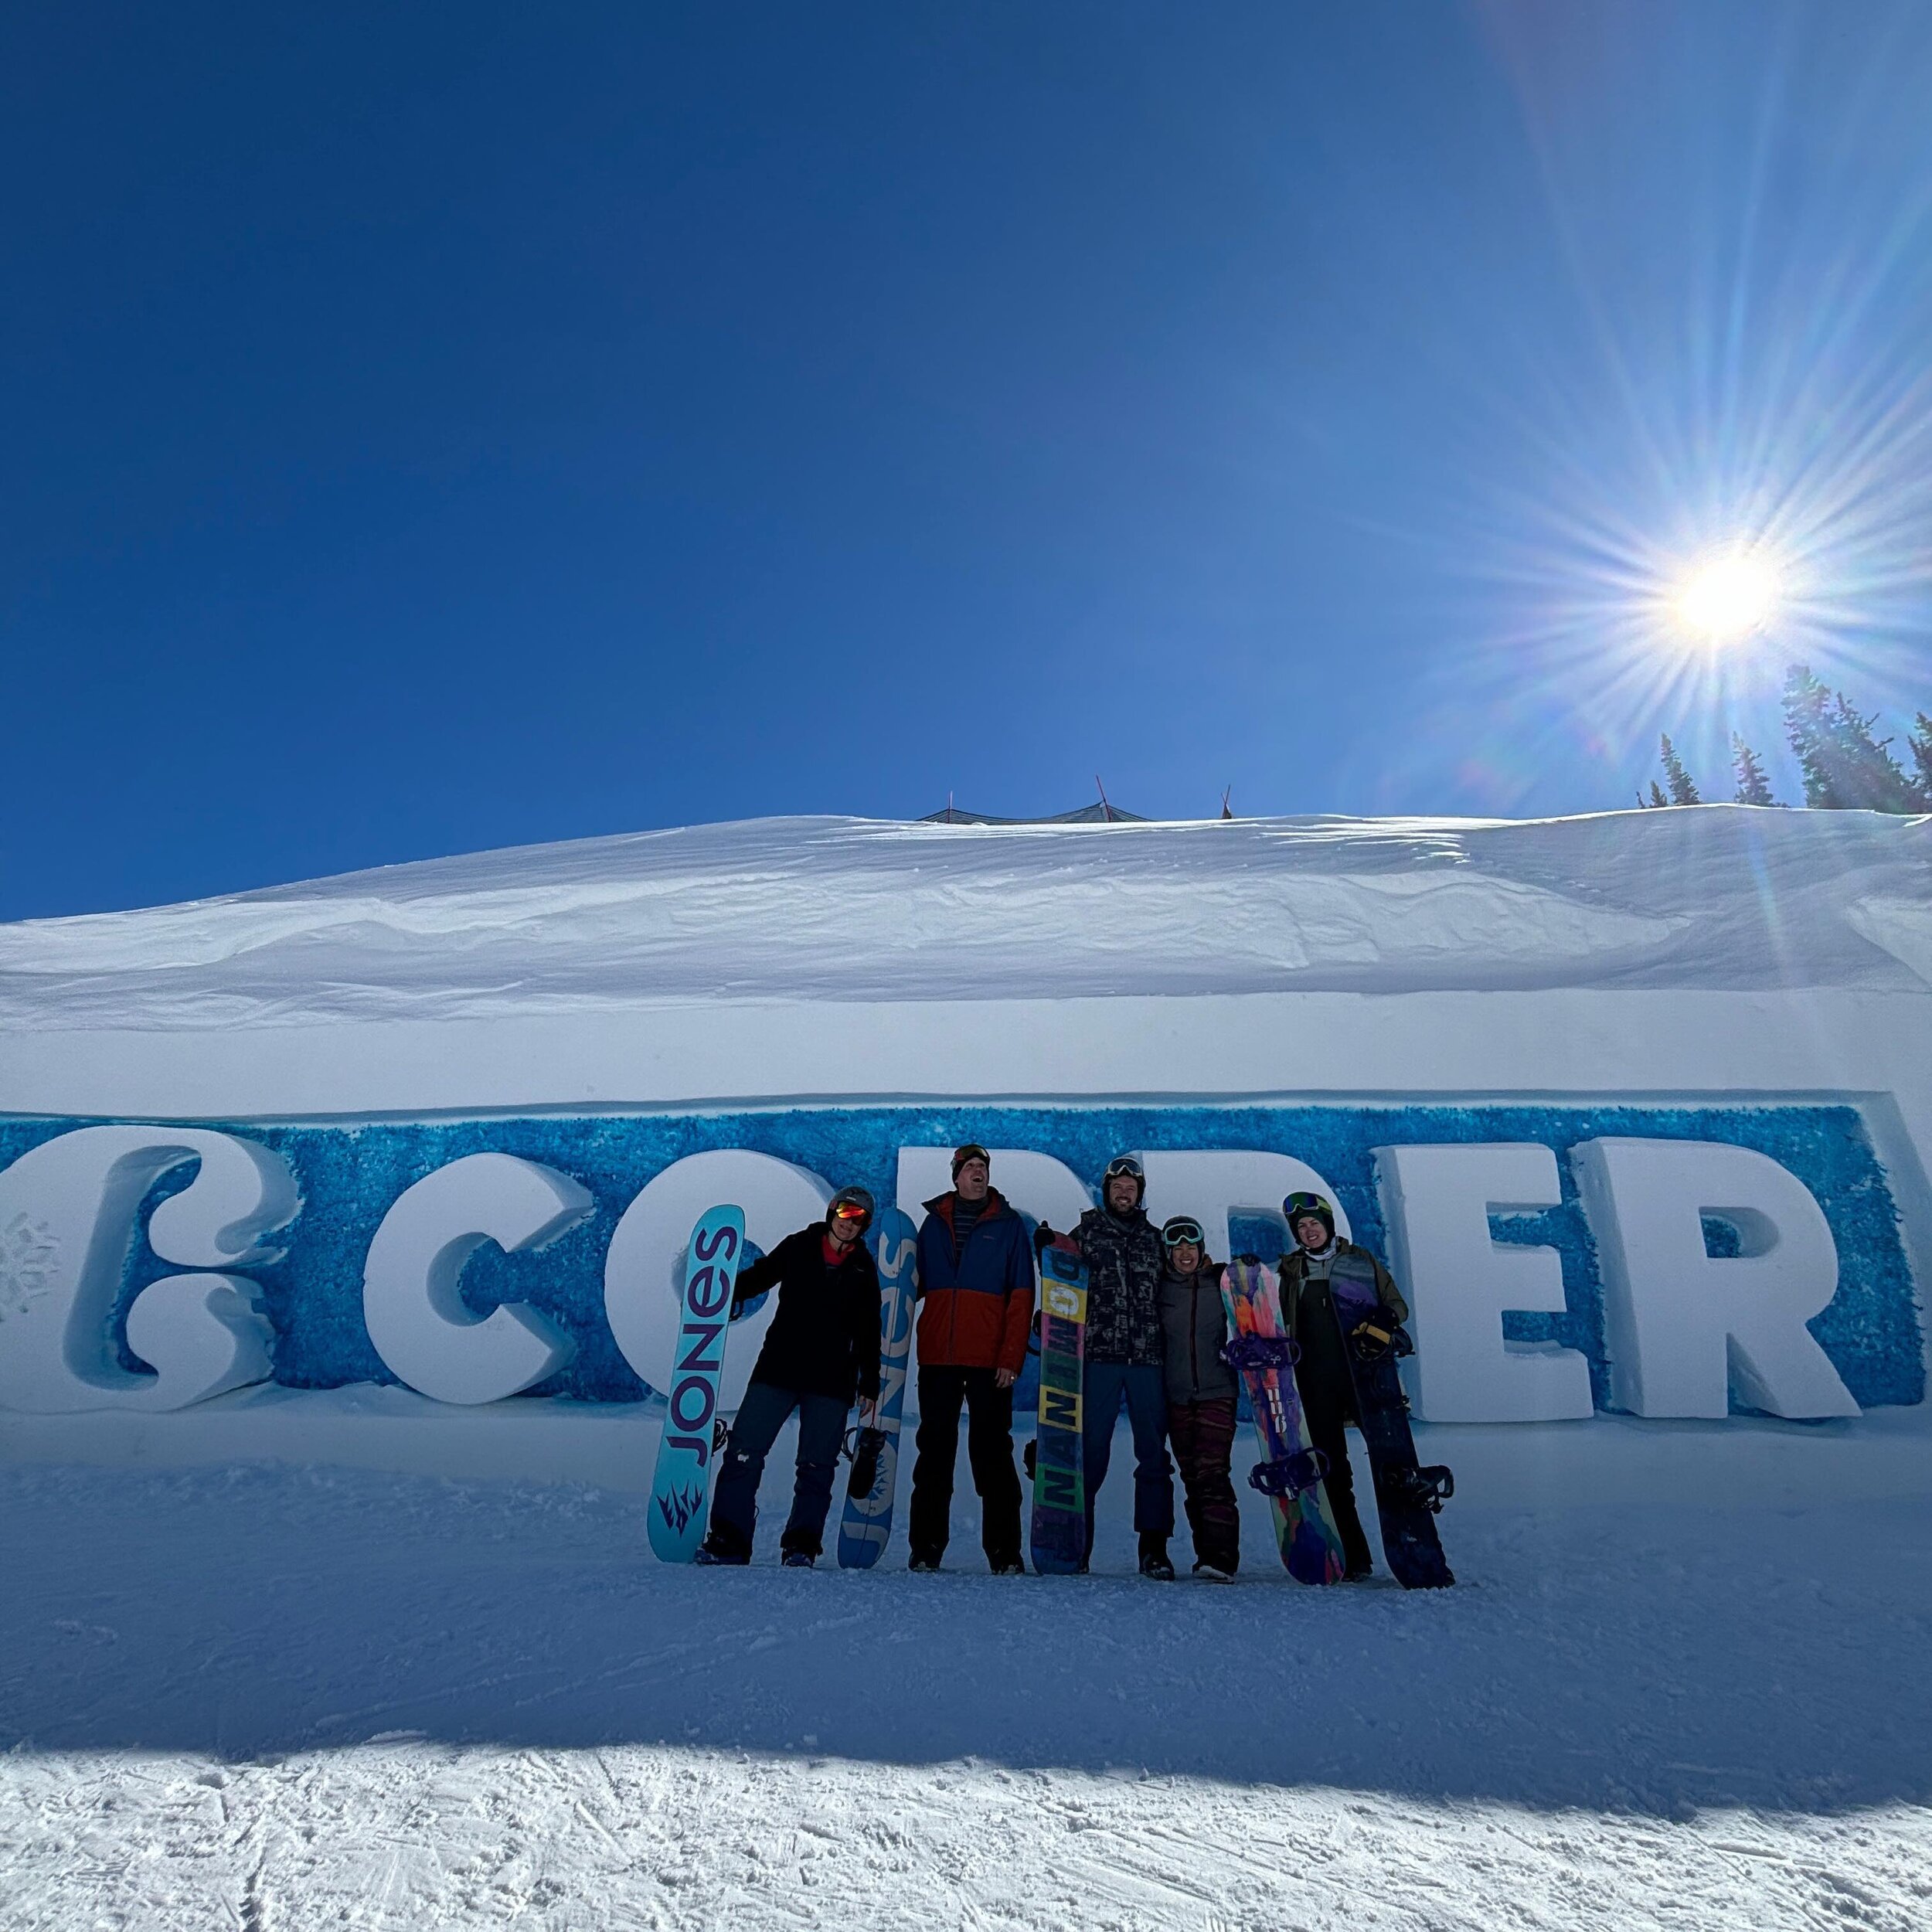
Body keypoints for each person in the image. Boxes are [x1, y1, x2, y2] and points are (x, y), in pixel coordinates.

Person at [696, 1185, 883, 1567]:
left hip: (832, 1381)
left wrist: (870, 1382)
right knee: (744, 1453)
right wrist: (722, 1294)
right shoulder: (800, 1245)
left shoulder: (864, 1269)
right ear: (833, 1211)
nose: (851, 1223)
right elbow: (760, 1277)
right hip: (778, 1369)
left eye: (860, 1218)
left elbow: (869, 1330)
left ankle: (801, 1546)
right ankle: (729, 1540)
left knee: (817, 1466)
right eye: (846, 1213)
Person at [1037, 1154, 1175, 1580]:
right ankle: (1077, 1546)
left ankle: (1154, 1551)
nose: (1124, 1193)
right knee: (1089, 1457)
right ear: (1106, 1191)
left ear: (1140, 1193)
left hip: (1148, 1361)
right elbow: (1063, 1274)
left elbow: (1183, 1275)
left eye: (1131, 1188)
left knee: (1153, 1456)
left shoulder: (1156, 1239)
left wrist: (1210, 1270)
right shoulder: (1088, 1234)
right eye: (1117, 1187)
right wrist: (1046, 1244)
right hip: (1098, 1359)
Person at [906, 1144, 1034, 1574]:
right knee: (934, 1455)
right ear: (956, 1175)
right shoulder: (932, 1224)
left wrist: (1011, 1358)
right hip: (938, 1356)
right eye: (970, 1167)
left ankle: (1004, 1553)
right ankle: (925, 1548)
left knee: (993, 1455)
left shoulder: (1009, 1224)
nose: (978, 1173)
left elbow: (1021, 1297)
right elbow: (911, 1285)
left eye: (983, 1167)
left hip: (989, 1361)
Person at [1277, 1189, 1409, 1581]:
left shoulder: (1359, 1260)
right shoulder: (1292, 1271)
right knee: (1333, 1470)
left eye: (1314, 1223)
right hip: (1317, 1383)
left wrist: (1385, 1319)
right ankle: (1354, 1556)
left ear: (1328, 1225)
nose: (1309, 1231)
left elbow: (1397, 1304)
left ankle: (1410, 1543)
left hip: (1365, 1377)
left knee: (1390, 1462)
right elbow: (1276, 1316)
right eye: (1301, 1226)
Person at [1157, 1214, 1240, 1581]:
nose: (1185, 1254)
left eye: (1191, 1246)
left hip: (1216, 1390)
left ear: (1202, 1249)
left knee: (1212, 1471)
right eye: (1177, 1248)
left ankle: (1221, 1556)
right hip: (1176, 1395)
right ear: (1168, 1253)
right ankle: (1205, 1553)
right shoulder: (1158, 1288)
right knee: (1192, 1476)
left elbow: (1253, 1309)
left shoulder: (1220, 1282)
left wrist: (1246, 1275)